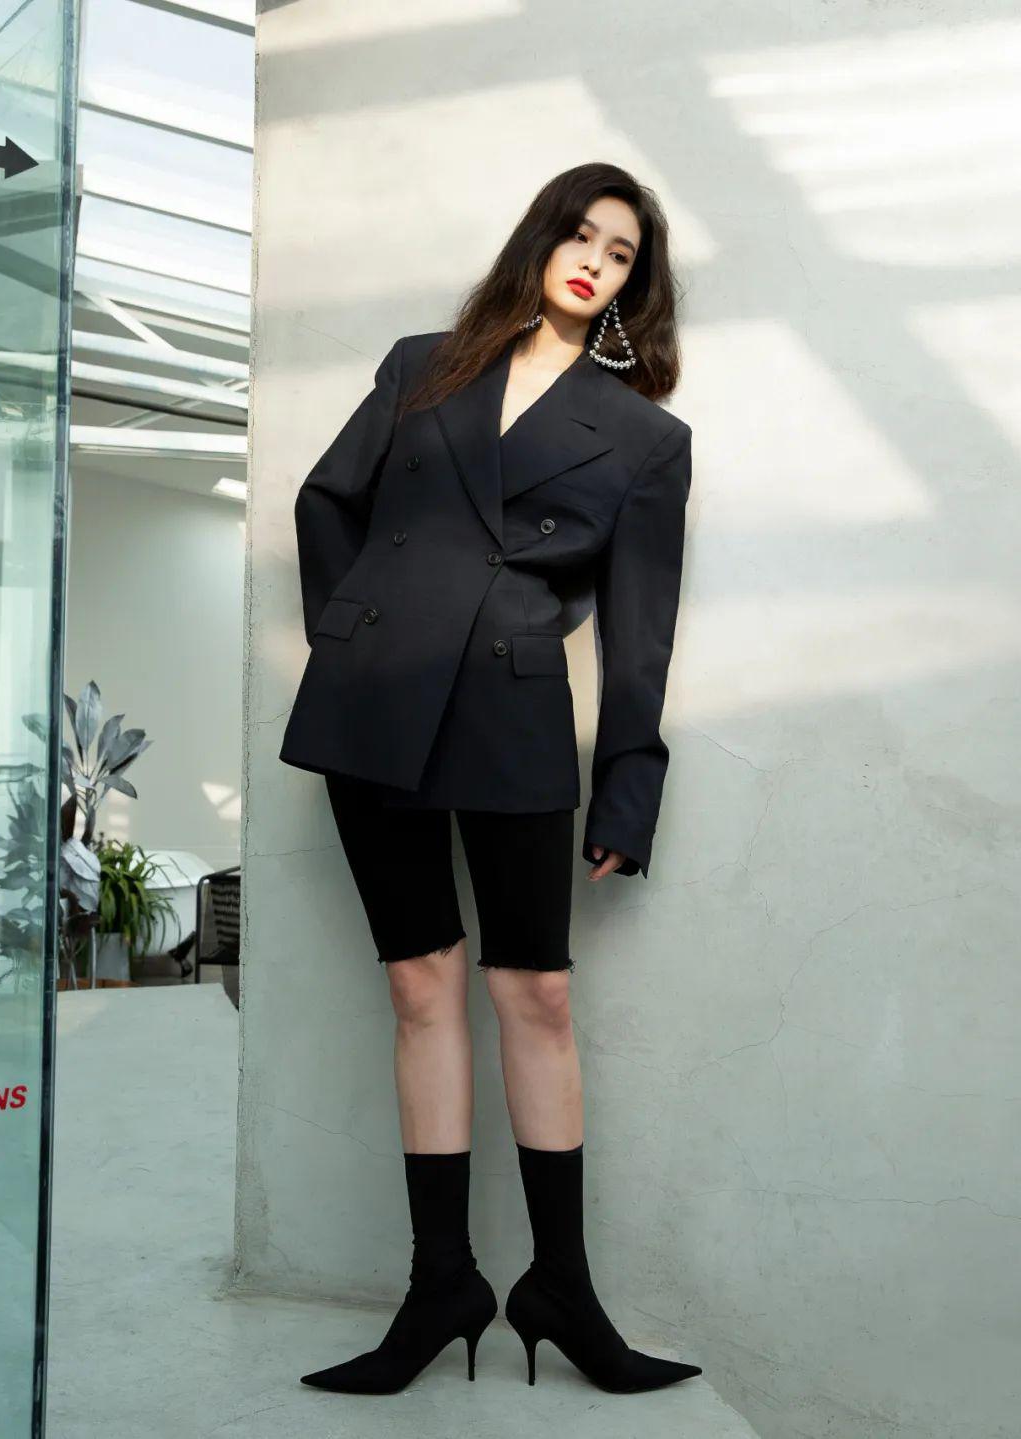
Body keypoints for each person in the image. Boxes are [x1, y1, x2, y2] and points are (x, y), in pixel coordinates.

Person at [280, 162, 702, 1395]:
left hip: (512, 712)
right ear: (541, 240)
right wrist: (355, 638)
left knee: (537, 994)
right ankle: (442, 1283)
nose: (595, 262)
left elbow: (641, 635)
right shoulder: (424, 365)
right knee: (419, 984)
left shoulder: (646, 439)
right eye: (581, 235)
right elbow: (327, 500)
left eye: (620, 254)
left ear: (633, 286)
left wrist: (628, 786)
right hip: (376, 706)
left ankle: (561, 1286)